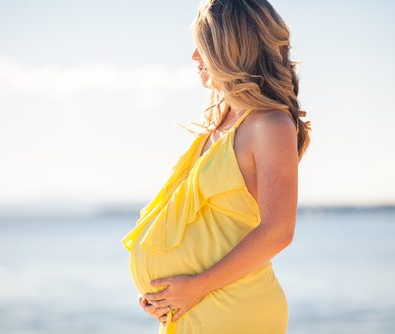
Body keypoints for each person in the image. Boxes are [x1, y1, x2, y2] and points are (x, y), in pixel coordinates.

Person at [122, 0, 311, 333]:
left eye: (202, 47)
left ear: (228, 49)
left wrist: (196, 286)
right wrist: (163, 297)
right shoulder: (222, 123)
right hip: (197, 308)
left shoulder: (270, 125)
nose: (194, 58)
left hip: (234, 310)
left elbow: (278, 231)